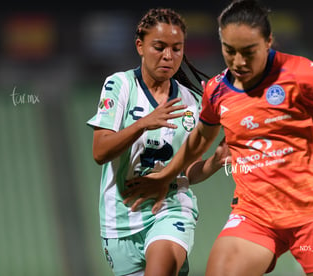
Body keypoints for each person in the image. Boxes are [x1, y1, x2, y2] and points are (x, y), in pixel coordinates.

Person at [123, 0, 313, 275]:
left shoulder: (297, 72)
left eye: (248, 52)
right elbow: (200, 139)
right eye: (230, 51)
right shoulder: (217, 90)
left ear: (269, 41)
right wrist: (166, 176)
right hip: (254, 215)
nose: (238, 62)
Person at [87, 8, 229, 276]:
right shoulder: (120, 85)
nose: (168, 56)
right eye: (159, 47)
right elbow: (100, 152)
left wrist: (214, 162)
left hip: (171, 209)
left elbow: (188, 169)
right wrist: (142, 123)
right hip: (120, 220)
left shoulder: (192, 102)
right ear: (140, 46)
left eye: (177, 49)